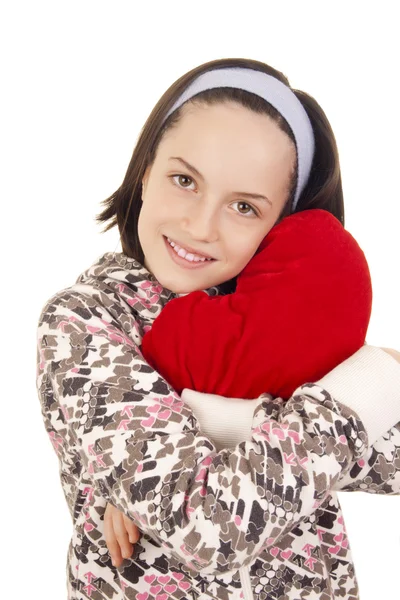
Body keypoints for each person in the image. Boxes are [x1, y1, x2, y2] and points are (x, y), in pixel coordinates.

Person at [35, 58, 400, 600]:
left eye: (245, 207)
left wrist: (222, 420)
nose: (201, 226)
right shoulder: (84, 320)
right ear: (145, 171)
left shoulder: (289, 327)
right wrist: (373, 382)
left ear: (285, 222)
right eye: (185, 180)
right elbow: (206, 525)